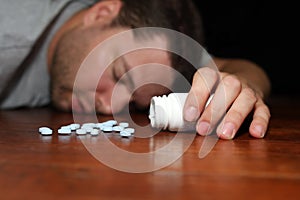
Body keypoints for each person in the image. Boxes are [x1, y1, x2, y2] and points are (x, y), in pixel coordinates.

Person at [0, 0, 271, 140]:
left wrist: (244, 85)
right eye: (118, 74)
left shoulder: (146, 49)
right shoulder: (9, 36)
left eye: (132, 102)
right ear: (102, 11)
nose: (107, 107)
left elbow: (236, 67)